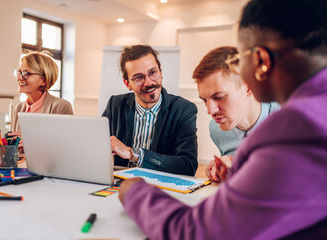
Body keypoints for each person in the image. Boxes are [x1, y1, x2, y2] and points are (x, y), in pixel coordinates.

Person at [117, 0, 327, 239]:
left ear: (260, 60)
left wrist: (135, 192)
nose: (211, 110)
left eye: (240, 60)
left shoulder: (299, 126)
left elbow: (197, 232)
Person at [102, 45, 198, 176]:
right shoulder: (115, 105)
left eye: (152, 72)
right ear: (127, 84)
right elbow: (94, 145)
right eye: (138, 77)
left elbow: (188, 166)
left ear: (161, 72)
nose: (148, 83)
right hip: (121, 185)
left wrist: (133, 154)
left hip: (161, 187)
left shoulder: (183, 110)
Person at [193, 46, 279, 182]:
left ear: (248, 87)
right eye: (204, 100)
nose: (210, 110)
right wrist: (222, 169)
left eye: (219, 97)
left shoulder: (288, 118)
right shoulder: (216, 129)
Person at [9, 51, 73, 150]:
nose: (19, 78)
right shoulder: (18, 108)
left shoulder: (61, 107)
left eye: (26, 73)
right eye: (19, 72)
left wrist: (31, 141)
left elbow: (65, 146)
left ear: (44, 80)